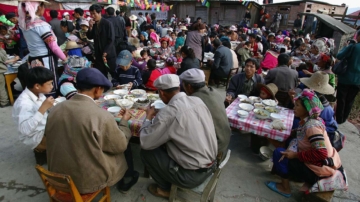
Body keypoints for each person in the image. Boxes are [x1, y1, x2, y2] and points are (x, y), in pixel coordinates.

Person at [46, 67, 138, 194]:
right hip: (85, 181)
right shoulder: (102, 116)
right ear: (97, 89)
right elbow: (120, 146)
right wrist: (123, 123)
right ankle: (127, 179)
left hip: (57, 175)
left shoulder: (55, 109)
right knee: (123, 143)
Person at [139, 74, 217, 199]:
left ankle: (164, 189)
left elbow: (145, 141)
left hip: (191, 176)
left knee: (146, 152)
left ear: (162, 93)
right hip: (211, 165)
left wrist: (148, 117)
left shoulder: (169, 113)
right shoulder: (197, 101)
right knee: (164, 142)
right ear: (178, 88)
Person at [267, 89, 344, 198]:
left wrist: (295, 155)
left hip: (320, 171)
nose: (294, 107)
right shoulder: (308, 120)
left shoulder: (312, 126)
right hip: (319, 164)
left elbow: (321, 153)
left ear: (306, 109)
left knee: (279, 153)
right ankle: (289, 173)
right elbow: (299, 134)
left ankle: (285, 188)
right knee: (289, 142)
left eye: (297, 105)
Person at [18, 0, 67, 97]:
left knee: (39, 84)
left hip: (33, 59)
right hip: (46, 60)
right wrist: (64, 59)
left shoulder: (25, 25)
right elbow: (53, 46)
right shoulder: (41, 25)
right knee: (49, 85)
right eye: (44, 6)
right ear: (39, 7)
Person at [180, 69, 231, 161]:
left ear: (189, 86)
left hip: (214, 148)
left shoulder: (193, 101)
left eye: (183, 85)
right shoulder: (215, 92)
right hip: (224, 141)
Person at [12, 67, 55, 165]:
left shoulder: (38, 94)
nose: (52, 86)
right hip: (35, 136)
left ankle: (43, 152)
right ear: (37, 86)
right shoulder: (24, 104)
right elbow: (25, 130)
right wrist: (43, 108)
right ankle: (41, 150)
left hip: (42, 128)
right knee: (69, 135)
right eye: (49, 83)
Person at [335, 30, 360, 124]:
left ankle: (339, 119)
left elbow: (339, 56)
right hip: (358, 81)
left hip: (345, 78)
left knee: (341, 99)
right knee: (350, 100)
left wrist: (347, 46)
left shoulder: (353, 47)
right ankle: (344, 119)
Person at [87, 4, 116, 78]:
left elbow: (111, 39)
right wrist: (90, 27)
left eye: (94, 13)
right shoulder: (94, 24)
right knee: (102, 74)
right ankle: (105, 88)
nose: (92, 16)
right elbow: (90, 36)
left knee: (113, 72)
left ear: (99, 13)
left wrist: (106, 51)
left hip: (108, 54)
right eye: (91, 14)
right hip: (98, 53)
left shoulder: (107, 23)